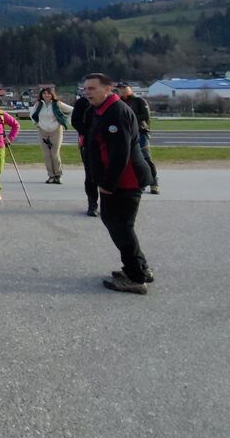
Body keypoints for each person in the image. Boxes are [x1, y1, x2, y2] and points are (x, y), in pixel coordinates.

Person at [83, 73, 154, 295]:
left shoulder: (116, 113)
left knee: (120, 226)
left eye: (92, 88)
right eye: (85, 89)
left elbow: (119, 154)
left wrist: (107, 184)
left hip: (126, 180)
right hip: (117, 181)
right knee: (117, 224)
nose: (87, 92)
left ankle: (136, 277)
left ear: (108, 89)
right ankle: (139, 268)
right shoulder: (101, 110)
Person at [117, 83, 160, 195]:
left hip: (140, 133)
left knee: (146, 158)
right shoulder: (118, 103)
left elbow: (145, 116)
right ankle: (140, 182)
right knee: (130, 160)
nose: (122, 90)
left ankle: (154, 182)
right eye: (120, 89)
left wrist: (129, 118)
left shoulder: (139, 101)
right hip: (125, 134)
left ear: (130, 89)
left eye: (124, 88)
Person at [29, 87, 74, 184]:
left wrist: (66, 121)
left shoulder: (57, 104)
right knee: (46, 155)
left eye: (48, 93)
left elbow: (72, 110)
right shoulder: (38, 104)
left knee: (55, 154)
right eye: (44, 93)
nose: (46, 95)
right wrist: (36, 123)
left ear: (52, 94)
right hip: (42, 131)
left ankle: (58, 175)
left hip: (55, 131)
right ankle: (51, 176)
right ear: (42, 95)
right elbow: (32, 114)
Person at [70, 89, 97, 217]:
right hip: (88, 142)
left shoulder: (111, 103)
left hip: (108, 142)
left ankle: (109, 204)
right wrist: (88, 133)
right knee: (90, 174)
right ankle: (92, 204)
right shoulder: (82, 102)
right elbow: (75, 121)